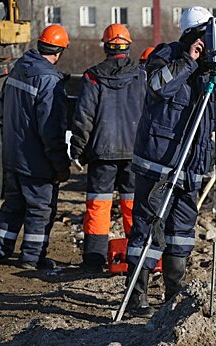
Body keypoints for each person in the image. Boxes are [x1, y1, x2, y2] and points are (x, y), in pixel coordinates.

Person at [125, 6, 216, 317]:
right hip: (160, 164)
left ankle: (172, 296)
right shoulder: (167, 55)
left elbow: (211, 118)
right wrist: (188, 61)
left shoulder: (209, 70)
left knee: (181, 234)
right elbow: (157, 87)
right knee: (148, 231)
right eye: (204, 35)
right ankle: (136, 297)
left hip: (192, 167)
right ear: (191, 35)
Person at [0, 24, 71, 269]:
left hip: (13, 155)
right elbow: (51, 129)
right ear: (59, 51)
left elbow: (3, 109)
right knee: (40, 209)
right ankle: (32, 258)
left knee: (13, 204)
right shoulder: (49, 79)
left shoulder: (17, 69)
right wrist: (60, 164)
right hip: (36, 162)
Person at [70, 24, 147, 272]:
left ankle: (94, 260)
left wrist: (78, 149)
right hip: (135, 153)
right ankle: (136, 259)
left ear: (105, 46)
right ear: (128, 46)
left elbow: (84, 117)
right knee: (134, 205)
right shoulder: (141, 76)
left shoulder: (93, 77)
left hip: (101, 152)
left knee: (98, 205)